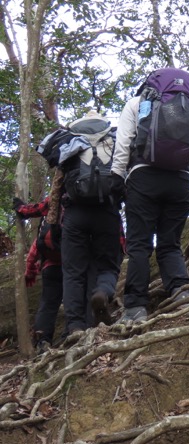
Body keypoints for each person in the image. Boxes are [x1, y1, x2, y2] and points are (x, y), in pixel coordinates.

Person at [112, 68, 189, 324]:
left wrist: (116, 178)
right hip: (180, 180)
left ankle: (135, 309)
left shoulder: (137, 103)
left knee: (140, 245)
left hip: (144, 178)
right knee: (170, 244)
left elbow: (123, 143)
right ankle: (181, 295)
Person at [59, 111, 124, 336]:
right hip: (107, 210)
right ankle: (103, 292)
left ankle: (76, 326)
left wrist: (52, 222)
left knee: (73, 272)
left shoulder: (69, 139)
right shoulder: (114, 139)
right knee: (107, 263)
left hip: (75, 213)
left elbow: (58, 183)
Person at [13, 186, 64, 352]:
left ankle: (42, 340)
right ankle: (73, 331)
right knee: (75, 297)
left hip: (51, 266)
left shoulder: (54, 202)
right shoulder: (80, 204)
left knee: (48, 303)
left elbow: (35, 247)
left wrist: (30, 272)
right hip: (74, 266)